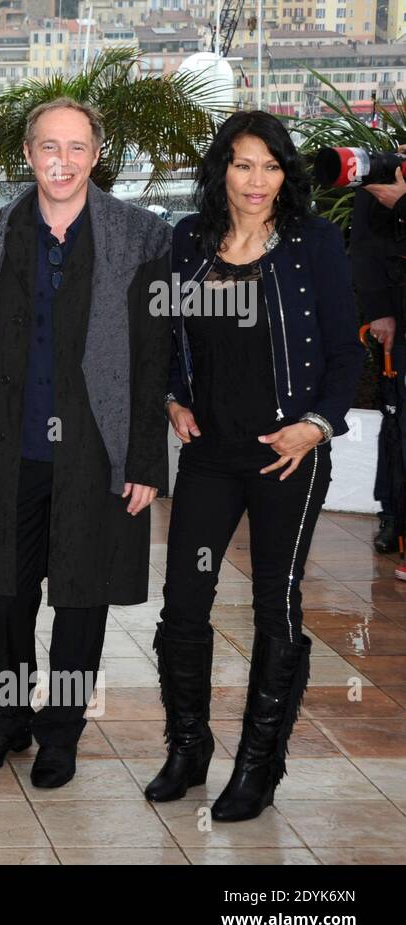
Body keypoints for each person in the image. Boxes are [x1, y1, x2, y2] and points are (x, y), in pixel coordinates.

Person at [0, 97, 171, 789]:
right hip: (4, 446)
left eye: (75, 147)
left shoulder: (141, 236)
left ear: (96, 155)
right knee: (3, 596)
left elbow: (154, 358)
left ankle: (61, 731)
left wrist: (147, 461)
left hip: (97, 450)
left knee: (81, 595)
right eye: (47, 147)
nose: (60, 161)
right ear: (29, 155)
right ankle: (8, 719)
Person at [155, 110, 362, 821]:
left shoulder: (314, 243)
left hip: (287, 460)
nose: (256, 180)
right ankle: (187, 748)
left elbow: (346, 353)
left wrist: (315, 426)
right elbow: (173, 341)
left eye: (270, 165)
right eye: (243, 164)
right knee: (184, 604)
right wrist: (174, 399)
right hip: (210, 456)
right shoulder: (188, 242)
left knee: (276, 606)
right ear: (223, 169)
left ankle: (258, 768)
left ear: (286, 173)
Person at [349, 147, 406, 561]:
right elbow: (364, 249)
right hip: (399, 319)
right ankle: (394, 515)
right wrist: (381, 312)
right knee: (398, 420)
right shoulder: (385, 170)